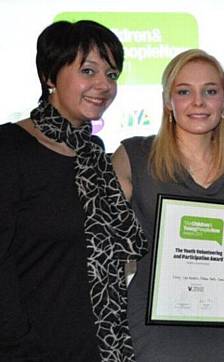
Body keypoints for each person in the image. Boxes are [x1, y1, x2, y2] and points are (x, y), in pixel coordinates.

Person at [0, 20, 146, 361]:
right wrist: (16, 345)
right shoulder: (9, 148)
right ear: (50, 76)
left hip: (98, 347)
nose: (102, 85)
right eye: (88, 71)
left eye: (111, 75)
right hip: (29, 350)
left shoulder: (94, 155)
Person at [112, 49, 224, 362]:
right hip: (155, 324)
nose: (198, 102)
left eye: (210, 91)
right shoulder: (133, 156)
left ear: (223, 100)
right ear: (168, 101)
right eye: (184, 92)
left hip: (222, 322)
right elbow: (104, 240)